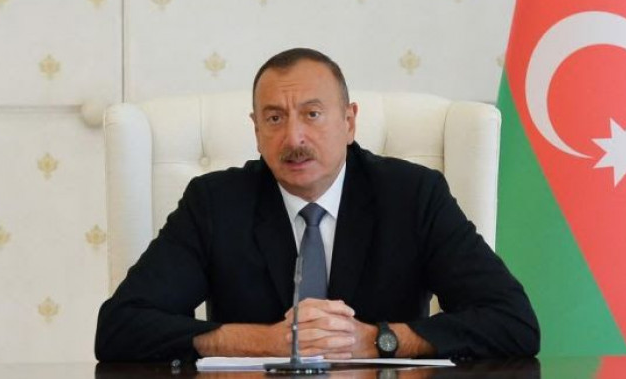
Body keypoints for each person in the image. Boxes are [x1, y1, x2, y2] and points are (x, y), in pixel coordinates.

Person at [95, 48, 540, 362]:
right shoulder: (215, 203)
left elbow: (513, 322)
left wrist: (378, 340)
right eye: (274, 118)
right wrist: (264, 342)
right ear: (256, 130)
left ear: (349, 121)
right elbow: (120, 328)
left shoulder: (412, 195)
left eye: (312, 114)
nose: (294, 138)